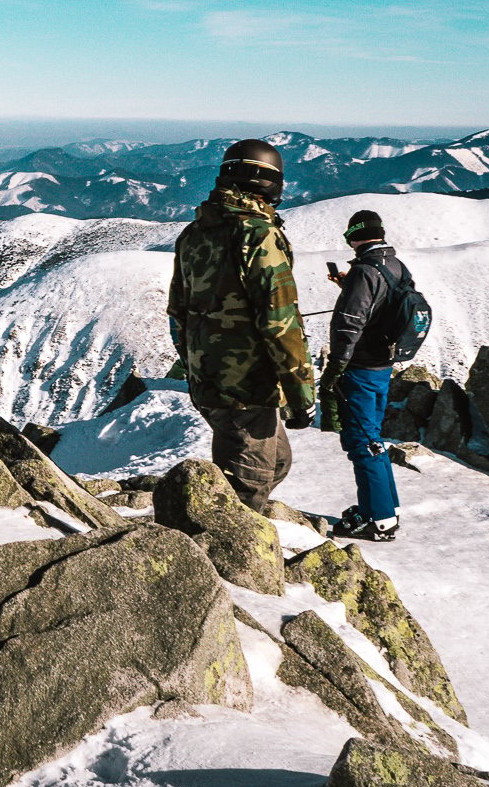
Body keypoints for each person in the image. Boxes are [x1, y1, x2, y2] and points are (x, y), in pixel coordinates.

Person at [166, 139, 316, 515]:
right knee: (246, 484)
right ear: (269, 182)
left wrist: (194, 364)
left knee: (276, 461)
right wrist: (302, 395)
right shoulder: (257, 236)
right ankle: (218, 557)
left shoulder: (195, 232)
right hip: (246, 383)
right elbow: (281, 323)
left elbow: (177, 310)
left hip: (210, 376)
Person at [320, 209, 411, 541]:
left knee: (362, 442)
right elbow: (382, 305)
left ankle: (379, 520)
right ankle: (386, 508)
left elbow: (349, 324)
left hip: (359, 367)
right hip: (383, 365)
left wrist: (334, 368)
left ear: (353, 237)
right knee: (373, 439)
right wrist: (347, 284)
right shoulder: (395, 265)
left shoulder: (364, 272)